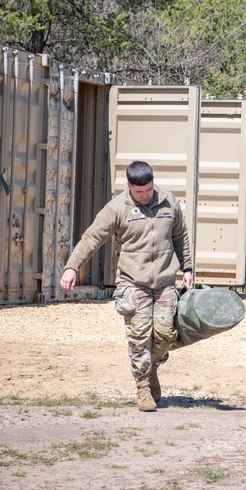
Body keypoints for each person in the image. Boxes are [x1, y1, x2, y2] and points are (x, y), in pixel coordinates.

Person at [60, 161, 194, 411]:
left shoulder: (169, 202)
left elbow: (180, 236)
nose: (145, 195)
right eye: (139, 191)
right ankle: (143, 386)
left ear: (154, 182)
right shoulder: (116, 208)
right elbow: (92, 238)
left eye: (149, 190)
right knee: (139, 336)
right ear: (129, 186)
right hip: (133, 282)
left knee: (165, 335)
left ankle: (152, 368)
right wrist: (72, 267)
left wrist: (187, 268)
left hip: (165, 281)